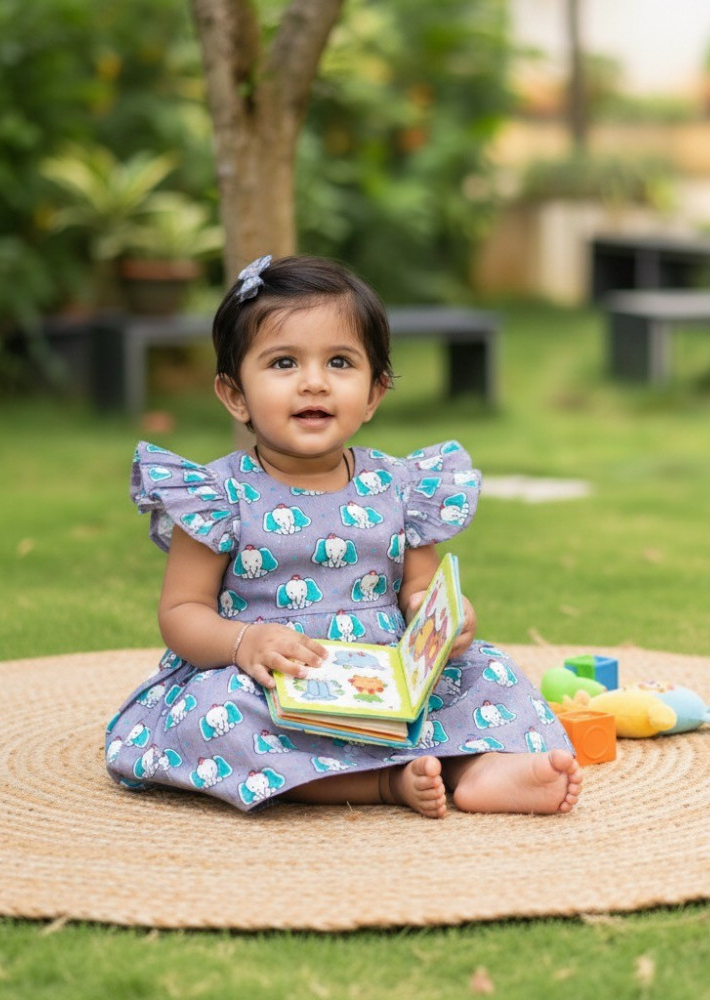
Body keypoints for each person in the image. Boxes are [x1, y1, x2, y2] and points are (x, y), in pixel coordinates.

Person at [105, 254, 581, 818]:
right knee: (216, 715)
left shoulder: (400, 486)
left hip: (383, 676)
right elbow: (182, 610)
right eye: (283, 363)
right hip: (273, 680)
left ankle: (476, 770)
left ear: (375, 392)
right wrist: (243, 644)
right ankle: (385, 784)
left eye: (339, 362)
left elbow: (418, 588)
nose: (313, 382)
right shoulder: (217, 495)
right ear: (236, 395)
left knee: (487, 673)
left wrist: (441, 618)